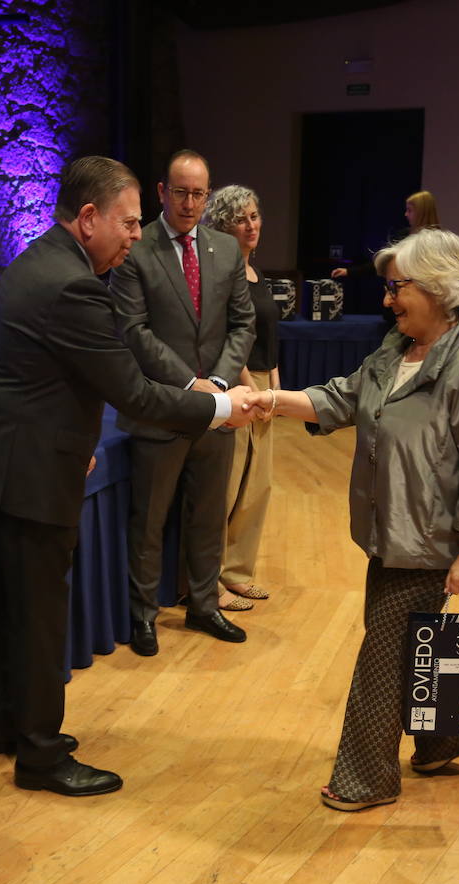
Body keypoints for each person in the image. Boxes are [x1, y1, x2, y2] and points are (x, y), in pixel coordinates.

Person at [0, 155, 253, 798]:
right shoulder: (73, 285)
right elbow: (135, 394)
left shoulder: (37, 260)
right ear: (88, 217)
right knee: (37, 620)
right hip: (34, 476)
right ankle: (39, 757)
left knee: (13, 611)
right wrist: (223, 407)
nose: (132, 236)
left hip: (12, 461)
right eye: (127, 223)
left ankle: (10, 728)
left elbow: (36, 382)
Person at [242, 228, 459, 810]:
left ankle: (365, 778)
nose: (389, 300)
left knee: (382, 657)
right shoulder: (396, 350)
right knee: (411, 644)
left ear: (439, 288)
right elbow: (339, 399)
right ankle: (445, 739)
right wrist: (269, 400)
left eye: (398, 288)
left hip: (428, 541)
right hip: (386, 533)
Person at [110, 150, 257, 655]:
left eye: (199, 193)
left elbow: (242, 324)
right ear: (161, 192)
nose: (190, 202)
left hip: (217, 406)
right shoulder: (135, 248)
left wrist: (216, 381)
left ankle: (203, 606)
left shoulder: (224, 249)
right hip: (162, 406)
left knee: (207, 514)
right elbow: (133, 330)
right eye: (181, 192)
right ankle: (143, 616)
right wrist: (189, 383)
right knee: (149, 519)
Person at [201, 185, 279, 612]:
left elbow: (269, 337)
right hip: (238, 384)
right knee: (228, 488)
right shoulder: (222, 278)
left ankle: (238, 574)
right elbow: (231, 341)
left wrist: (278, 393)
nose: (251, 226)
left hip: (265, 384)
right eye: (240, 219)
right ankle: (210, 580)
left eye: (254, 216)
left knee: (257, 487)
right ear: (223, 227)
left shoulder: (256, 274)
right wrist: (253, 388)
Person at [331, 190, 440, 279]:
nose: (405, 214)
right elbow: (381, 261)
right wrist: (349, 271)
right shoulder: (403, 235)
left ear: (421, 212)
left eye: (409, 210)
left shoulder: (438, 241)